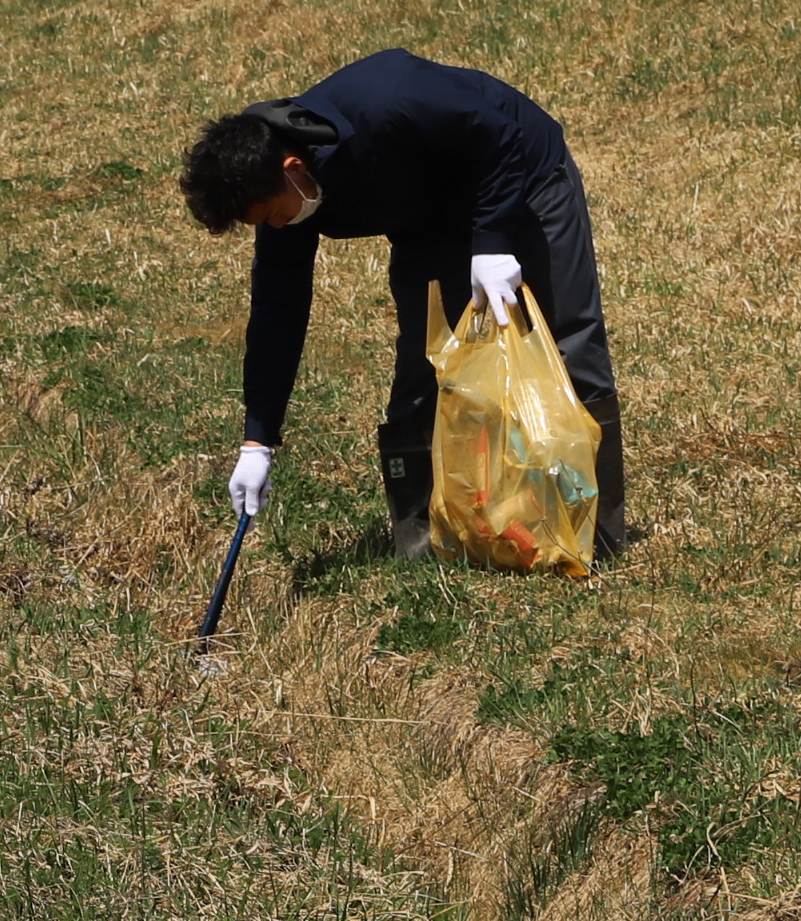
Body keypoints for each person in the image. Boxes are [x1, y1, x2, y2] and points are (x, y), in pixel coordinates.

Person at [175, 50, 632, 561]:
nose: (277, 228)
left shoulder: (389, 100)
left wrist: (495, 241)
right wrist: (258, 438)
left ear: (293, 168)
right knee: (425, 360)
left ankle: (596, 533)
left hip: (522, 177)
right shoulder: (280, 195)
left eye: (275, 217)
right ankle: (425, 540)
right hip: (428, 223)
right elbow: (277, 311)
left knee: (567, 340)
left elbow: (497, 133)